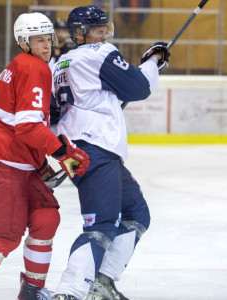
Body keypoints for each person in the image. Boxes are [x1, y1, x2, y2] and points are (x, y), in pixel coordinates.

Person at [0, 12, 90, 300]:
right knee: (4, 237)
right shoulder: (34, 68)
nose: (47, 45)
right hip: (3, 160)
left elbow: (19, 123)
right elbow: (28, 127)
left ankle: (33, 289)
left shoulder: (20, 65)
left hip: (14, 160)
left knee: (46, 216)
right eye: (39, 40)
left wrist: (40, 165)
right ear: (24, 42)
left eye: (48, 38)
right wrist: (65, 155)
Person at [50, 5, 169, 300]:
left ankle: (102, 282)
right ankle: (69, 292)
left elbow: (59, 111)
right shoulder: (98, 53)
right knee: (100, 225)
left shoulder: (61, 63)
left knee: (136, 212)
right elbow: (138, 87)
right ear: (80, 33)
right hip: (95, 149)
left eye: (106, 30)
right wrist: (153, 61)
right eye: (98, 31)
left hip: (81, 150)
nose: (104, 36)